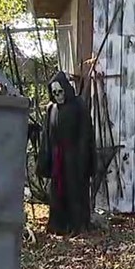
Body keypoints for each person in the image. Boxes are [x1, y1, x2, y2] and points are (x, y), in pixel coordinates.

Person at [36, 72, 91, 234]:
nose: (58, 96)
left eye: (60, 92)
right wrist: (46, 160)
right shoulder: (51, 109)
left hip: (74, 158)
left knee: (75, 191)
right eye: (54, 93)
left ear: (66, 90)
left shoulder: (78, 105)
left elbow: (85, 133)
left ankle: (77, 225)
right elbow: (46, 135)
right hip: (57, 157)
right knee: (57, 191)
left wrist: (83, 158)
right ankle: (58, 225)